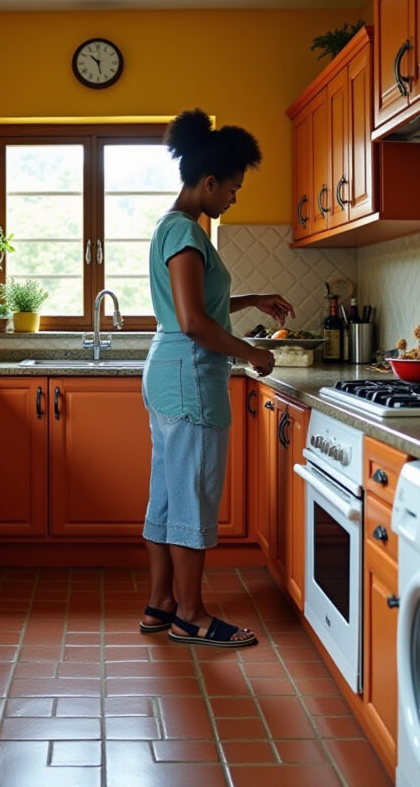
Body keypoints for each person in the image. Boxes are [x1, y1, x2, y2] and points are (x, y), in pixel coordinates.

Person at [139, 109, 294, 648]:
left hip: (169, 372)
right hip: (189, 375)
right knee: (192, 498)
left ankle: (162, 604)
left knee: (168, 494)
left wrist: (251, 299)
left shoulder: (174, 227)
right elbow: (195, 322)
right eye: (233, 187)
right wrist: (252, 353)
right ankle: (192, 615)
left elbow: (200, 302)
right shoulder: (185, 232)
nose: (234, 197)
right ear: (209, 182)